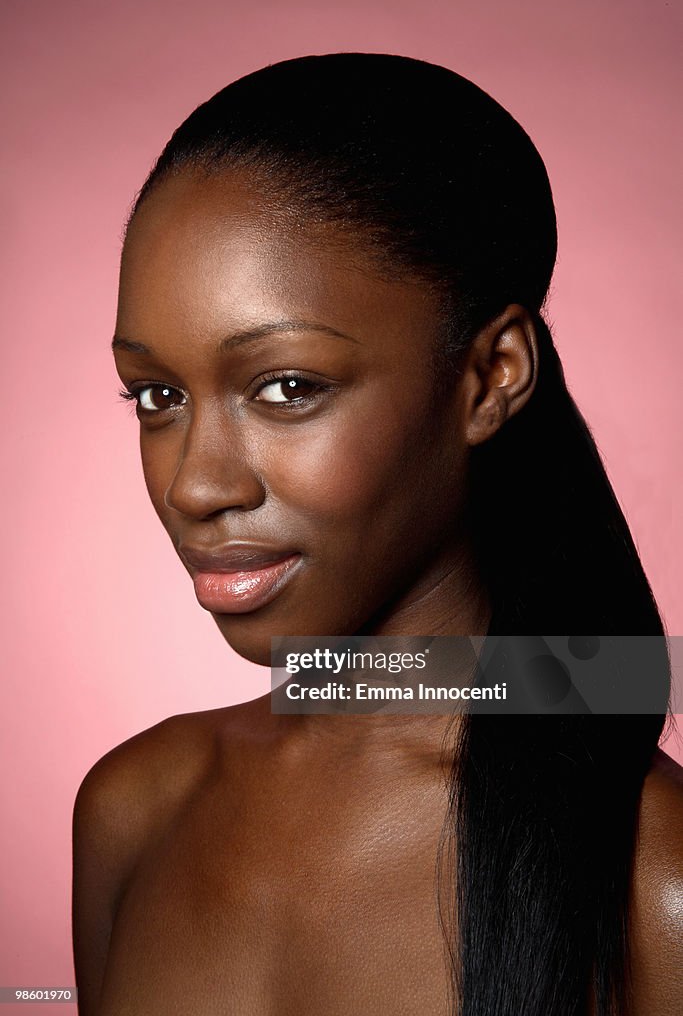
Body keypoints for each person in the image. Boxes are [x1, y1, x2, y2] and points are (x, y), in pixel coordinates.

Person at [72, 53, 683, 1015]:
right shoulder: (134, 811)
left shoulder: (655, 881)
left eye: (287, 387)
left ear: (490, 378)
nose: (196, 484)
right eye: (158, 396)